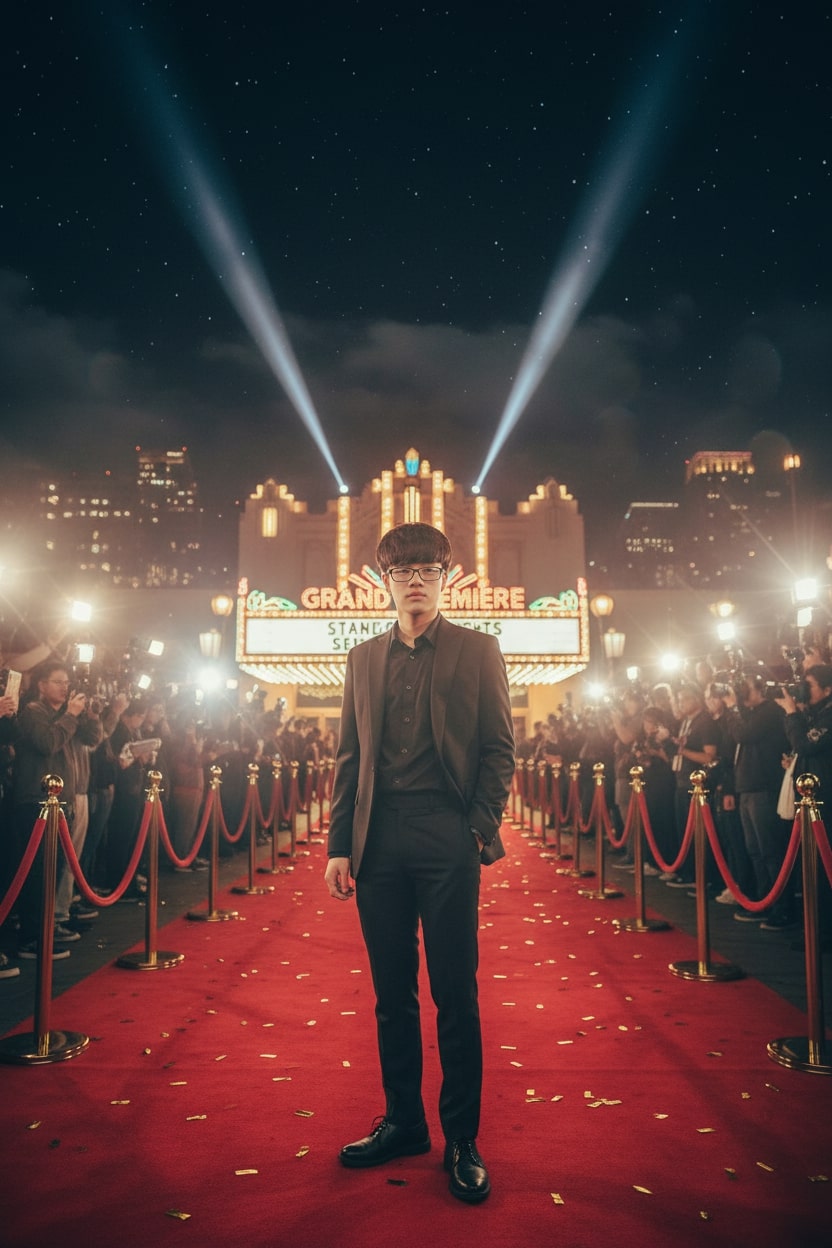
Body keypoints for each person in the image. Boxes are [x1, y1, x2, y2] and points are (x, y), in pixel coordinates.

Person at [324, 522, 515, 1204]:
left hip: (447, 834)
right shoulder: (362, 659)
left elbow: (499, 749)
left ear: (444, 579)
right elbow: (350, 757)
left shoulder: (477, 649)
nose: (415, 581)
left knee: (455, 992)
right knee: (392, 995)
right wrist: (338, 845)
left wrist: (477, 828)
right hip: (378, 843)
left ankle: (462, 1137)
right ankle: (404, 1122)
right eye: (402, 571)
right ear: (385, 582)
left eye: (427, 570)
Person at [723, 673, 794, 929]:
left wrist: (733, 707)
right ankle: (763, 903)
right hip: (747, 788)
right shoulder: (750, 713)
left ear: (759, 688)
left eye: (746, 688)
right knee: (755, 851)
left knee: (770, 851)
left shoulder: (769, 711)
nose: (742, 693)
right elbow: (734, 736)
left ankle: (782, 908)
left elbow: (744, 734)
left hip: (764, 788)